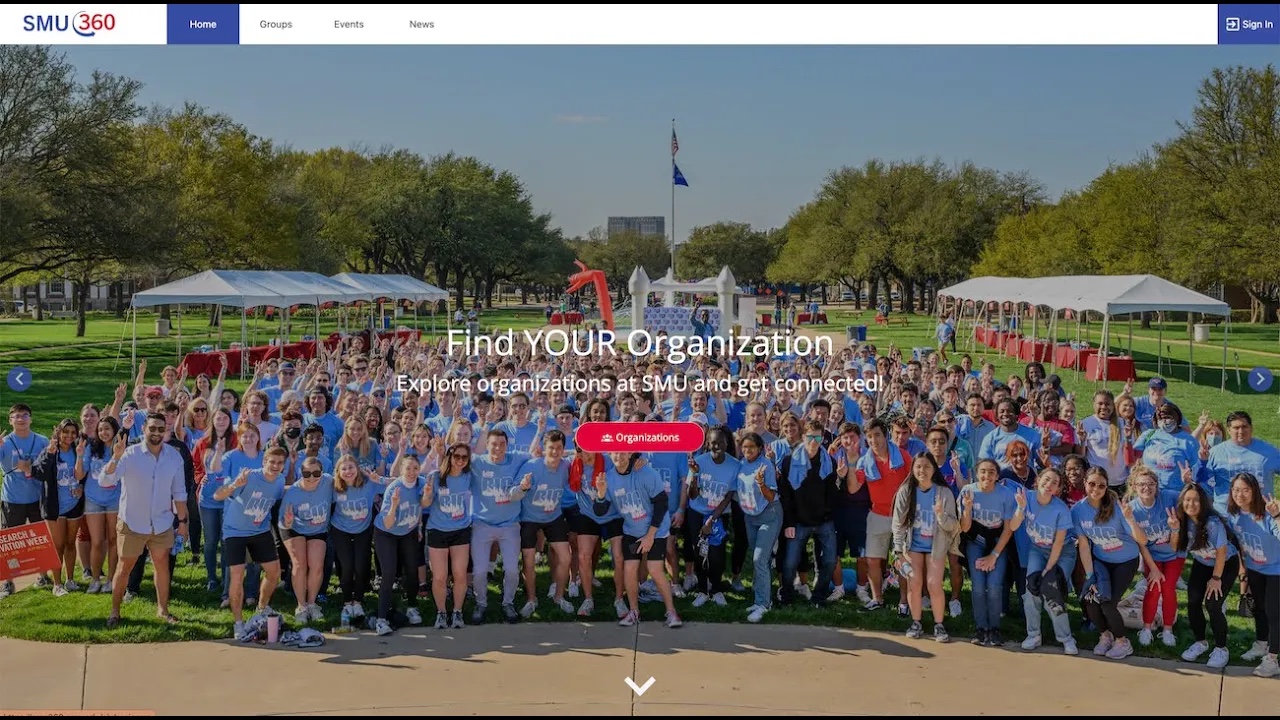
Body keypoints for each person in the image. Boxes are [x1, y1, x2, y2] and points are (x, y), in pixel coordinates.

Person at [99, 413, 189, 628]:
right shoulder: (129, 455)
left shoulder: (174, 457)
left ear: (165, 431)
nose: (156, 433)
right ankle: (115, 611)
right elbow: (105, 480)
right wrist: (115, 458)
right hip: (132, 523)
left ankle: (163, 610)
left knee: (162, 567)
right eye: (152, 428)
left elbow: (180, 493)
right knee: (124, 568)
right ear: (144, 430)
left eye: (161, 429)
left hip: (162, 523)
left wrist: (183, 522)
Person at [1073, 466, 1156, 661]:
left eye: (1101, 485)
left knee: (1108, 603)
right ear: (1085, 483)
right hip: (1101, 560)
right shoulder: (1078, 510)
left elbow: (1142, 540)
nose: (1096, 489)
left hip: (1125, 561)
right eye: (1091, 484)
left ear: (1106, 487)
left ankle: (1122, 642)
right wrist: (1090, 575)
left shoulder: (1117, 506)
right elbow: (1084, 546)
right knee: (1091, 599)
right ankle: (1105, 635)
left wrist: (1129, 518)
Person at [594, 450, 682, 628]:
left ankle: (671, 612)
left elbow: (662, 502)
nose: (619, 457)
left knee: (655, 569)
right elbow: (600, 511)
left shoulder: (645, 472)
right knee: (629, 569)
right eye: (615, 454)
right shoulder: (609, 478)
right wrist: (601, 494)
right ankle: (634, 611)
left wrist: (650, 535)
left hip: (657, 529)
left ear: (629, 454)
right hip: (632, 530)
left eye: (623, 453)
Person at [214, 447, 287, 640]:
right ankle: (238, 622)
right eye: (272, 462)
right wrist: (233, 485)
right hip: (235, 532)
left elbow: (280, 497)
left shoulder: (280, 481)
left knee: (274, 573)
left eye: (280, 463)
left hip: (260, 531)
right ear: (264, 461)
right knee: (237, 575)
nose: (275, 466)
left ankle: (262, 608)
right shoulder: (248, 476)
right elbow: (218, 495)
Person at [892, 453, 960, 642]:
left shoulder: (944, 493)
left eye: (927, 467)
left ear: (934, 469)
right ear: (913, 469)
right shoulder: (906, 490)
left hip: (936, 547)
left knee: (933, 583)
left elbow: (953, 526)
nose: (922, 471)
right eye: (918, 467)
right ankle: (916, 622)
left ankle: (939, 624)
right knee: (914, 583)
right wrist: (898, 551)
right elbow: (898, 523)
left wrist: (940, 515)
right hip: (912, 545)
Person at [959, 458, 1025, 646]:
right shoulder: (968, 491)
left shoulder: (1006, 495)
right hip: (976, 542)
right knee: (978, 586)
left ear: (997, 476)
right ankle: (981, 628)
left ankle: (994, 628)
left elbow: (1008, 529)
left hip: (998, 542)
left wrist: (994, 555)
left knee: (995, 586)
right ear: (977, 473)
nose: (987, 476)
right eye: (983, 471)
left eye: (991, 472)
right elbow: (964, 528)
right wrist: (968, 509)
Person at [777, 420, 841, 606]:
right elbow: (786, 495)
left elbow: (832, 493)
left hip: (824, 521)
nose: (814, 441)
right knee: (790, 563)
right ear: (803, 437)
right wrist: (789, 523)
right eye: (810, 436)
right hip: (798, 521)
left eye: (818, 437)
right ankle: (787, 594)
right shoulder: (790, 461)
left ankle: (818, 596)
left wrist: (841, 479)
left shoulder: (830, 462)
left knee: (829, 561)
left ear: (822, 438)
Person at [1173, 482, 1235, 670]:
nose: (1191, 504)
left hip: (1224, 564)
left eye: (1196, 500)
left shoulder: (1212, 523)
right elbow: (1175, 547)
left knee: (1213, 604)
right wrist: (1175, 528)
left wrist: (1216, 579)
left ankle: (1221, 648)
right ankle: (1200, 642)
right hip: (1202, 563)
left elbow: (1222, 553)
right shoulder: (1182, 520)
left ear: (1204, 503)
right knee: (1193, 601)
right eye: (1187, 500)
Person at [1019, 467, 1079, 655]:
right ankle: (1033, 635)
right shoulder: (1026, 497)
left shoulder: (1060, 509)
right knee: (1030, 592)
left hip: (1062, 553)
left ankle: (1066, 638)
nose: (1049, 485)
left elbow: (1059, 543)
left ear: (1058, 489)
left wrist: (1047, 572)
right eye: (1046, 479)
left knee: (1051, 590)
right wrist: (1020, 509)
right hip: (1038, 549)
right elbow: (1013, 525)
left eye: (1054, 482)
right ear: (1038, 480)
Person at [1225, 471, 1280, 677]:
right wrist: (1243, 571)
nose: (1240, 494)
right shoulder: (1233, 515)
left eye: (1245, 490)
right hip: (1255, 569)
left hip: (1277, 569)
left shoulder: (1267, 513)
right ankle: (1261, 643)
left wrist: (1277, 515)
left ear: (1254, 491)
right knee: (1259, 609)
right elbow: (1238, 545)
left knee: (1275, 614)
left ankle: (1273, 659)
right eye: (1236, 490)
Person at [516, 429, 575, 617]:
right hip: (529, 518)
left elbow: (580, 457)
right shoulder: (531, 466)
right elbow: (514, 491)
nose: (555, 452)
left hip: (553, 517)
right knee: (529, 560)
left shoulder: (566, 466)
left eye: (559, 448)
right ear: (544, 448)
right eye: (551, 448)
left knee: (565, 557)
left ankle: (558, 596)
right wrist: (523, 486)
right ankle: (531, 599)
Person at [370, 453, 431, 635]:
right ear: (401, 470)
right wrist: (395, 505)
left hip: (408, 531)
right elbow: (388, 523)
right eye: (408, 468)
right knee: (389, 573)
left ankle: (412, 607)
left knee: (412, 570)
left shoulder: (421, 483)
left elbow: (424, 503)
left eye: (415, 468)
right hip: (386, 533)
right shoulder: (394, 489)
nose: (412, 472)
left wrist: (427, 495)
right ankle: (381, 619)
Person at [469, 429, 526, 624]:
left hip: (509, 524)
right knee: (479, 571)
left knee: (511, 570)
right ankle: (481, 603)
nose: (498, 448)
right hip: (481, 524)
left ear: (507, 446)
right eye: (494, 444)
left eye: (502, 444)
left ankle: (508, 603)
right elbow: (452, 460)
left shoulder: (517, 459)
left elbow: (537, 453)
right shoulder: (477, 462)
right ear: (487, 445)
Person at [1124, 464, 1183, 647]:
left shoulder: (1169, 498)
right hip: (1152, 555)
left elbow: (1191, 499)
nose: (1146, 488)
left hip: (1174, 553)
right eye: (1141, 484)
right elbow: (1141, 543)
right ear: (1134, 486)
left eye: (1150, 484)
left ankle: (1167, 629)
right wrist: (1154, 569)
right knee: (1154, 587)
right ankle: (1147, 628)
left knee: (1168, 589)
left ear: (1157, 485)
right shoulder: (1132, 509)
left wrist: (1188, 481)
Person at [686, 428, 740, 607]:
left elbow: (728, 497)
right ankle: (702, 590)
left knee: (717, 555)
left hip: (719, 515)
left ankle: (716, 589)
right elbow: (692, 495)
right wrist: (694, 474)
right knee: (699, 553)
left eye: (720, 443)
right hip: (697, 513)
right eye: (712, 443)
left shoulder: (734, 465)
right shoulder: (698, 462)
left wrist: (712, 520)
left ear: (726, 443)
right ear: (707, 444)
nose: (716, 446)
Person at [0, 403, 50, 598]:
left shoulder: (41, 440)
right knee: (10, 542)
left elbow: (50, 465)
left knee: (40, 539)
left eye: (25, 415)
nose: (21, 419)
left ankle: (43, 575)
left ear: (31, 418)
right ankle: (8, 581)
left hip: (37, 497)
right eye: (16, 416)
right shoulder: (4, 442)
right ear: (10, 420)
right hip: (12, 498)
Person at [425, 442, 475, 629]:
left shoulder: (469, 477)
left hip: (460, 530)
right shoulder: (435, 476)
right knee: (439, 576)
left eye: (464, 457)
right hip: (437, 530)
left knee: (460, 574)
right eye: (457, 456)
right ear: (449, 457)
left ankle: (457, 611)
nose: (460, 461)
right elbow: (425, 503)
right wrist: (428, 495)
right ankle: (441, 612)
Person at [330, 454, 385, 623]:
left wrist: (380, 478)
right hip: (340, 529)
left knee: (362, 566)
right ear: (338, 472)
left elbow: (394, 484)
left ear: (357, 469)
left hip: (362, 530)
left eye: (351, 467)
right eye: (344, 469)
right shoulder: (333, 487)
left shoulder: (368, 484)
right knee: (347, 566)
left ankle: (358, 600)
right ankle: (347, 601)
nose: (348, 472)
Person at [279, 456, 334, 624]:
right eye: (306, 473)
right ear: (300, 473)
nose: (311, 477)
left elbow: (349, 479)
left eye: (316, 473)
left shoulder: (328, 482)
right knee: (299, 564)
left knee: (317, 566)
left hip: (317, 529)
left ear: (323, 472)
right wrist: (288, 521)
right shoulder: (294, 492)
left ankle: (312, 603)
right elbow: (283, 521)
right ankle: (301, 605)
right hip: (293, 528)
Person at [35, 419, 86, 595]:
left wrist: (81, 487)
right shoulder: (50, 451)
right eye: (66, 432)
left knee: (70, 543)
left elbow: (83, 474)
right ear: (58, 432)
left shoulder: (77, 450)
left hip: (74, 505)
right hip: (54, 507)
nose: (69, 436)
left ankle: (70, 580)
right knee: (57, 545)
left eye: (73, 432)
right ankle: (57, 584)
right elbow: (38, 474)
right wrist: (49, 454)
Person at [735, 431, 781, 622]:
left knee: (759, 560)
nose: (747, 451)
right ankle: (759, 598)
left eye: (751, 447)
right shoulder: (741, 464)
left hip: (769, 515)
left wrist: (761, 483)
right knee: (759, 559)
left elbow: (770, 496)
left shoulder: (766, 465)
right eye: (744, 447)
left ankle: (763, 604)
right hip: (750, 517)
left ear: (760, 448)